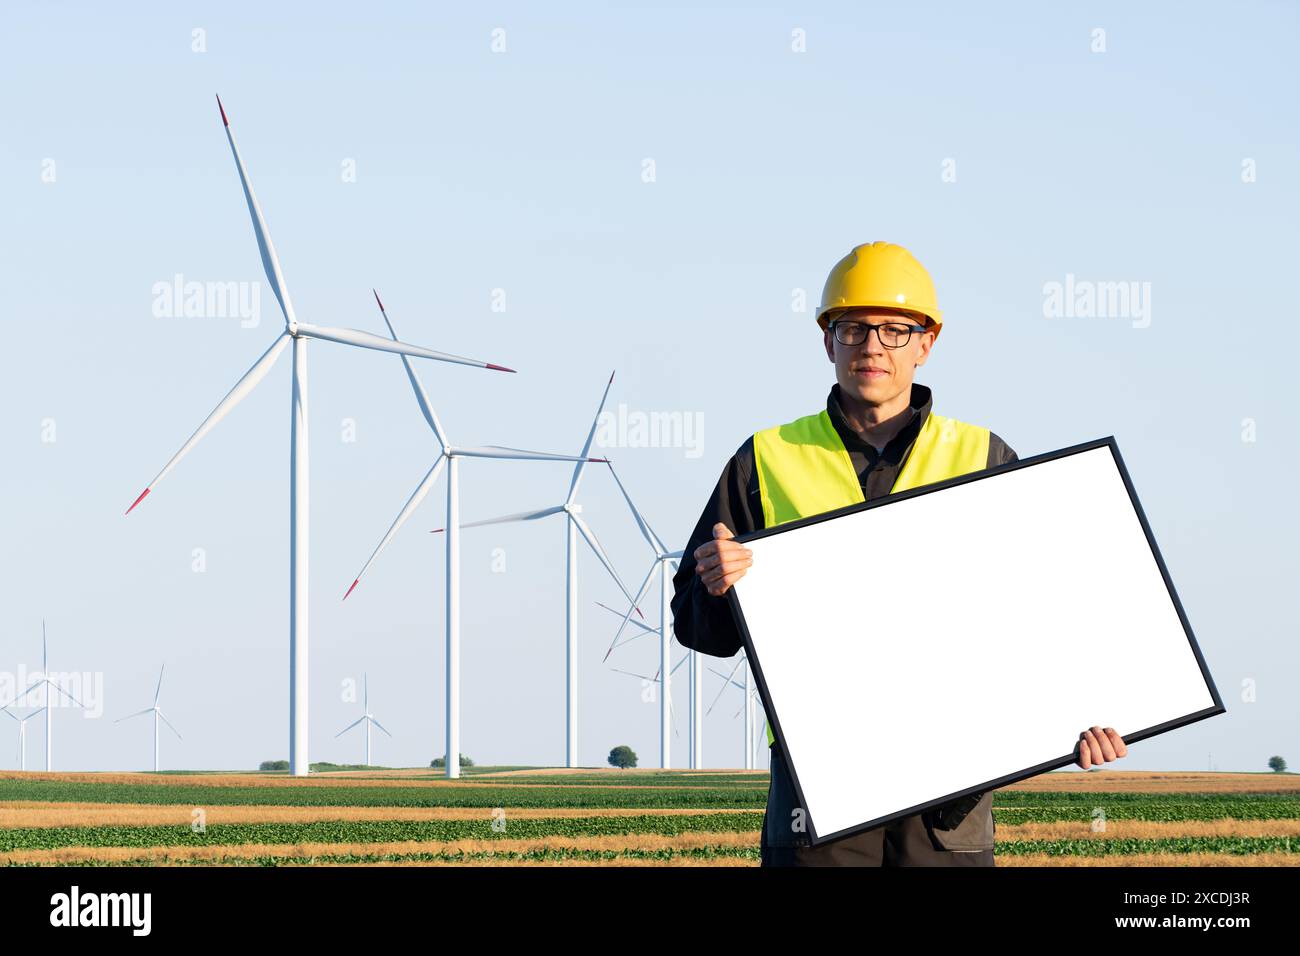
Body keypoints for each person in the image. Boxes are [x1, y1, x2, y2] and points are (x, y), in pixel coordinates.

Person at [670, 241, 1127, 866]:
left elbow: (1045, 613)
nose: (872, 346)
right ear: (826, 341)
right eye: (853, 328)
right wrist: (715, 585)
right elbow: (699, 631)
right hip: (817, 785)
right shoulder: (763, 460)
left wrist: (1086, 710)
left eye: (895, 329)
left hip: (954, 790)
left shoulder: (986, 457)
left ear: (926, 342)